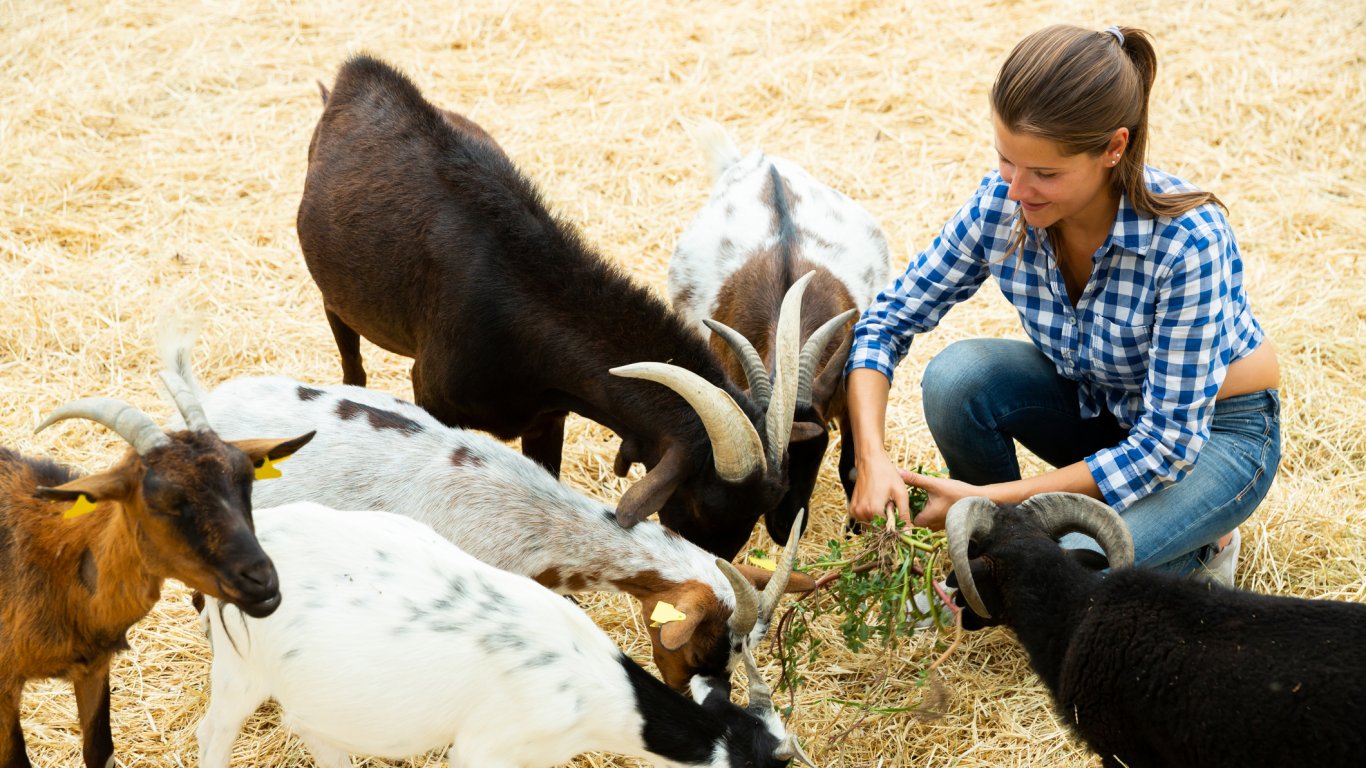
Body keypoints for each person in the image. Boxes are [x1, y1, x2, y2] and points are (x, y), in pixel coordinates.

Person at [845, 24, 1281, 582]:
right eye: (1007, 159)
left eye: (1045, 173)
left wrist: (987, 501)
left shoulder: (1188, 242)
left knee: (1065, 575)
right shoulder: (1000, 205)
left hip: (1207, 440)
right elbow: (884, 323)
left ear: (1113, 148)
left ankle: (1204, 541)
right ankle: (999, 555)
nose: (1018, 188)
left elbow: (1165, 447)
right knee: (959, 378)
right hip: (1102, 409)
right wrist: (870, 457)